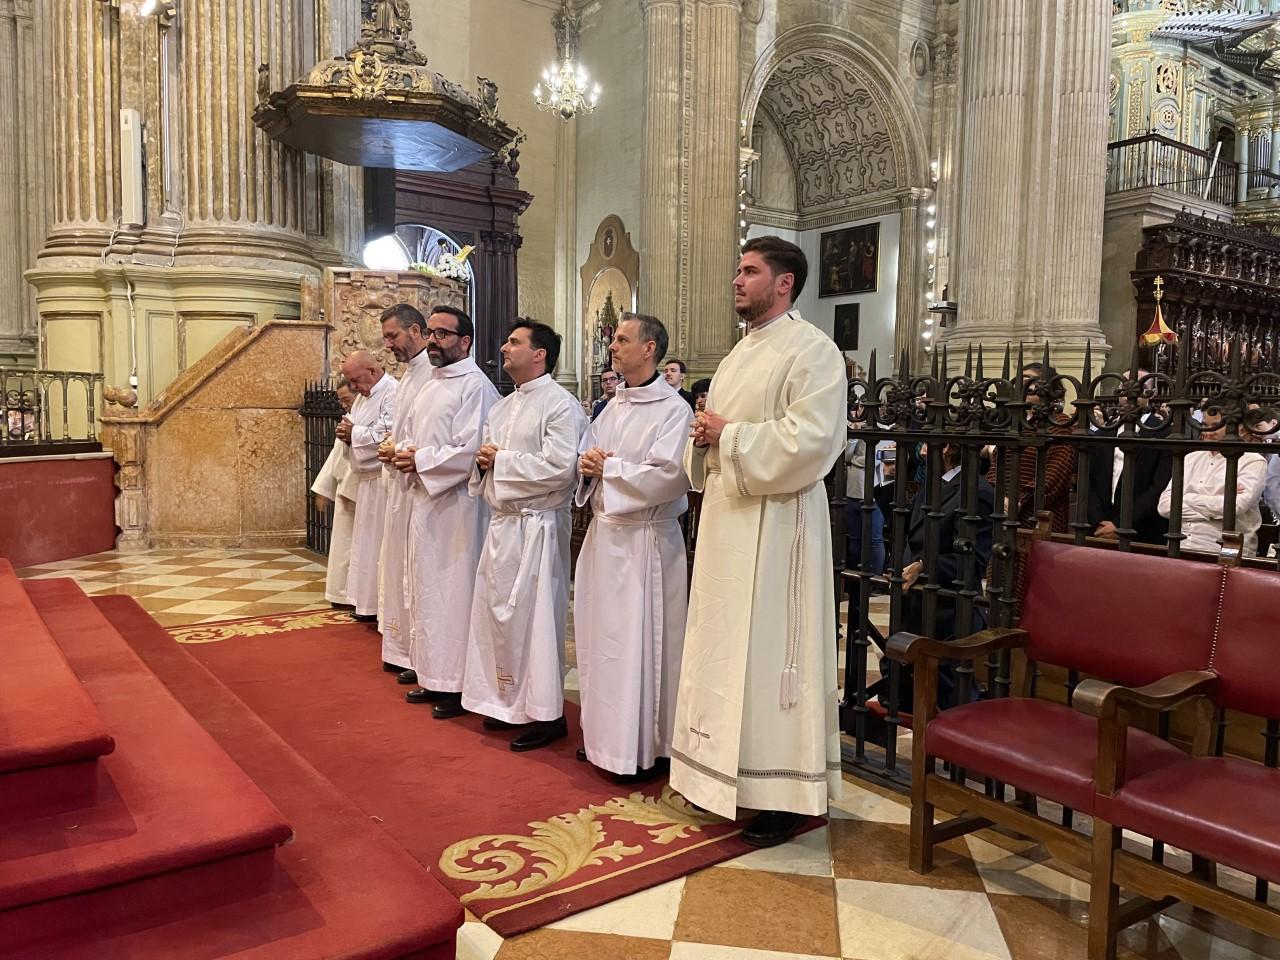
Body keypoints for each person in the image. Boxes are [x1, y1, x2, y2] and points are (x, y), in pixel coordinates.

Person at [672, 235, 847, 847]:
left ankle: (782, 794)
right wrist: (703, 438)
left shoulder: (813, 351)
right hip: (729, 520)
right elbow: (717, 434)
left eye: (749, 272)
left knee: (773, 653)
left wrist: (730, 434)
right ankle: (723, 777)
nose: (737, 281)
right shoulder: (735, 355)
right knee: (724, 647)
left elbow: (813, 442)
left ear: (784, 283)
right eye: (737, 271)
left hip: (779, 525)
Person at [574, 312, 690, 781]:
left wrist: (611, 468)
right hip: (605, 537)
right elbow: (588, 461)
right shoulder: (612, 407)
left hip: (645, 542)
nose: (613, 347)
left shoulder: (673, 410)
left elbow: (671, 476)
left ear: (650, 349)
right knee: (601, 641)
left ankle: (643, 745)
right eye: (613, 339)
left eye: (622, 340)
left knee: (639, 645)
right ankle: (605, 736)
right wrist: (587, 465)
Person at [461, 320, 588, 750]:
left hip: (538, 526)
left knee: (536, 622)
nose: (504, 346)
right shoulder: (501, 406)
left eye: (514, 342)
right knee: (500, 619)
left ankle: (546, 714)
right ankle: (508, 702)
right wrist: (483, 463)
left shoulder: (560, 405)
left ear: (540, 355)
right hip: (503, 525)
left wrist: (502, 460)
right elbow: (489, 460)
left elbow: (561, 467)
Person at [391, 306, 500, 716]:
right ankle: (433, 674)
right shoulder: (432, 384)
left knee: (453, 593)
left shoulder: (475, 386)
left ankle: (456, 684)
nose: (433, 341)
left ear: (465, 341)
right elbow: (417, 438)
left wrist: (419, 458)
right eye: (431, 333)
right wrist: (406, 454)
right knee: (427, 589)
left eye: (442, 334)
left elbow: (470, 450)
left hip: (458, 508)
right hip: (427, 502)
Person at [376, 304, 436, 678]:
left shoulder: (435, 375)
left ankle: (421, 654)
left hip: (425, 484)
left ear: (415, 331)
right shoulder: (409, 375)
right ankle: (404, 649)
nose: (388, 345)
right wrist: (390, 443)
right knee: (400, 566)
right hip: (402, 481)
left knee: (419, 572)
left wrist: (402, 449)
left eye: (392, 336)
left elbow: (430, 435)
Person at [1157, 411, 1268, 556]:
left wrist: (1188, 498)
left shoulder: (1252, 461)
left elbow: (1235, 507)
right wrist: (1215, 504)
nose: (1208, 432)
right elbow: (1164, 506)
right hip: (1181, 545)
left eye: (1216, 426)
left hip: (1226, 551)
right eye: (1205, 425)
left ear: (1238, 429)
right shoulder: (1190, 458)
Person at [337, 351, 397, 622]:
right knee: (366, 545)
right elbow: (353, 427)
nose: (353, 388)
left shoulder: (393, 393)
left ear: (372, 371)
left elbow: (390, 435)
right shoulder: (362, 398)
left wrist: (355, 434)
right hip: (366, 482)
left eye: (356, 380)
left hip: (383, 481)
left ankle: (380, 607)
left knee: (381, 546)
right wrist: (346, 433)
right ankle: (366, 603)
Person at [1085, 369, 1171, 547]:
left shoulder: (1163, 433)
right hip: (1099, 528)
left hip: (1144, 530)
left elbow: (1159, 487)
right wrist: (1099, 520)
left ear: (1151, 393)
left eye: (1140, 387)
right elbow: (1088, 480)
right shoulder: (1104, 432)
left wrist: (1121, 525)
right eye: (1124, 385)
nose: (1131, 392)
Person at [312, 380, 357, 609]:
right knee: (342, 545)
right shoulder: (349, 418)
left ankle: (351, 594)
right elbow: (335, 456)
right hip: (344, 488)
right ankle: (339, 593)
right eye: (340, 400)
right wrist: (324, 489)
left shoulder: (364, 416)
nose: (342, 405)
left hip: (358, 489)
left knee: (354, 548)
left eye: (345, 399)